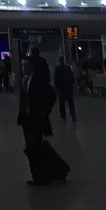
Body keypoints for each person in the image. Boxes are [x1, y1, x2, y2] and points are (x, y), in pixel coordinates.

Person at [18, 56, 65, 185]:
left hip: (36, 119)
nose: (24, 67)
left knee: (35, 147)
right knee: (30, 148)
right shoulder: (24, 80)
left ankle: (42, 175)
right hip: (26, 119)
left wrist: (44, 111)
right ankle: (37, 175)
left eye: (26, 65)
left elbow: (51, 95)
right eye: (22, 65)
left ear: (32, 66)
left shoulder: (39, 80)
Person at [54, 57, 76, 122]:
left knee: (62, 103)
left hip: (61, 88)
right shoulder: (68, 68)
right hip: (68, 87)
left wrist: (57, 87)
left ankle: (63, 117)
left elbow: (56, 79)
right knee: (70, 102)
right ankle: (73, 115)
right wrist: (72, 84)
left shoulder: (57, 69)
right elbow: (72, 77)